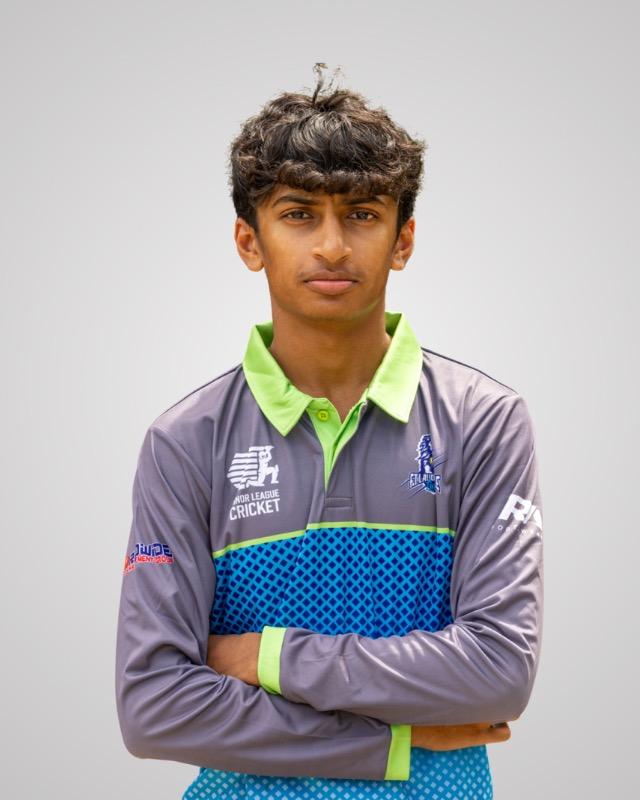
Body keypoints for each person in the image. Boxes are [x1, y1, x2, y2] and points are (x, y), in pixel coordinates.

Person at [115, 64, 544, 800]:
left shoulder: (484, 420)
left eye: (363, 214)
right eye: (298, 214)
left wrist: (267, 656)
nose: (334, 245)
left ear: (403, 241)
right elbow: (154, 707)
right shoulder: (185, 441)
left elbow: (498, 672)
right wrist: (387, 740)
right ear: (249, 241)